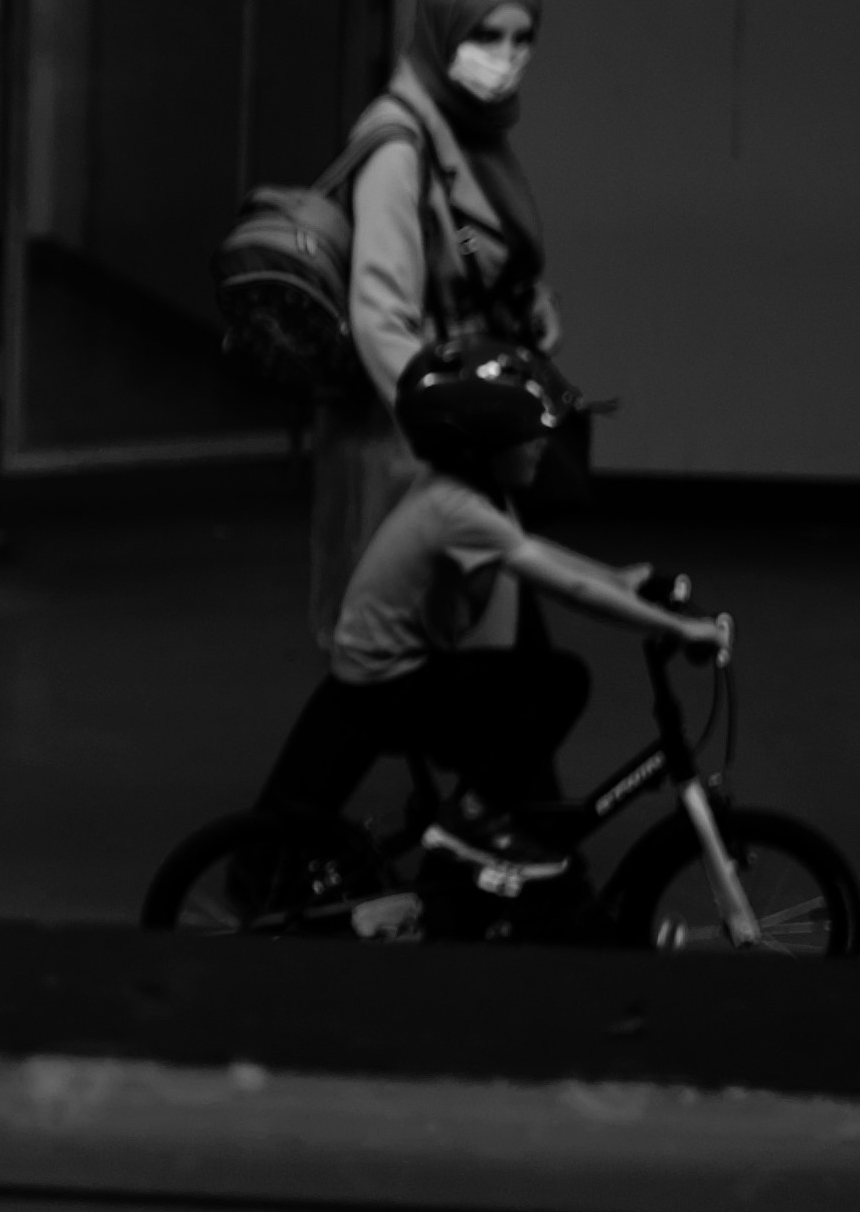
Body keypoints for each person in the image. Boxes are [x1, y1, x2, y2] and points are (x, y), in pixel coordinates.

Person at [260, 330, 723, 887]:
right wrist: (679, 628)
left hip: (391, 670)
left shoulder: (466, 489)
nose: (540, 446)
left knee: (524, 684)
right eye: (527, 436)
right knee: (559, 683)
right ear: (483, 445)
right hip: (388, 688)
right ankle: (473, 820)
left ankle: (483, 822)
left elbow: (532, 551)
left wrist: (617, 578)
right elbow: (564, 589)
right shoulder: (459, 510)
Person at [308, 0, 561, 653]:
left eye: (523, 39)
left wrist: (532, 314)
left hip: (472, 436)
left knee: (493, 670)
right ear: (444, 26)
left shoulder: (472, 137)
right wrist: (454, 433)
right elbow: (381, 319)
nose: (506, 60)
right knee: (447, 670)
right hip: (420, 448)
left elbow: (487, 256)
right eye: (486, 35)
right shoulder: (399, 146)